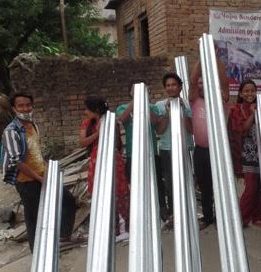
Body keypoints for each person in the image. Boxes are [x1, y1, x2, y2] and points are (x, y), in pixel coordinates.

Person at [2, 93, 78, 251]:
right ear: (14, 108)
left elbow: (36, 152)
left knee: (68, 201)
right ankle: (37, 252)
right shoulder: (11, 131)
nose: (25, 109)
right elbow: (17, 161)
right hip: (27, 182)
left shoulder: (33, 126)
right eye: (21, 106)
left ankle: (63, 237)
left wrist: (47, 169)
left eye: (28, 105)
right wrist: (39, 179)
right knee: (34, 217)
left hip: (42, 175)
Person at [79, 96, 130, 241]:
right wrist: (98, 133)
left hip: (112, 159)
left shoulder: (110, 120)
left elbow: (117, 142)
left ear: (95, 109)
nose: (85, 112)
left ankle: (123, 228)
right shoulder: (87, 123)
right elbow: (82, 142)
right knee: (100, 192)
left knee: (118, 193)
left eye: (87, 109)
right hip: (96, 161)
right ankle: (108, 229)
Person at [188, 57, 230, 229]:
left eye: (205, 83)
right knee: (204, 185)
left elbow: (224, 82)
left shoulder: (221, 100)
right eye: (200, 83)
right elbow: (192, 81)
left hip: (217, 150)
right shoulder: (194, 100)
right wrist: (202, 55)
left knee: (220, 185)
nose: (201, 86)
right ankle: (207, 218)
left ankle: (222, 218)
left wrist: (213, 56)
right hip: (200, 151)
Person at [115, 82, 167, 220]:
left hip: (151, 153)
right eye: (136, 90)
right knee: (135, 183)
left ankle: (161, 209)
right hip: (133, 153)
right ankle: (138, 213)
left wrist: (144, 102)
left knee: (157, 182)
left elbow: (155, 122)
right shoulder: (123, 107)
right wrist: (135, 100)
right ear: (130, 92)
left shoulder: (152, 107)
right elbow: (122, 119)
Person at [154, 73, 193, 227]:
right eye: (168, 85)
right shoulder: (159, 105)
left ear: (180, 87)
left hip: (184, 148)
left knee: (186, 180)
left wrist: (183, 110)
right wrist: (167, 112)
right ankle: (174, 214)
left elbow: (191, 129)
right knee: (170, 183)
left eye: (174, 85)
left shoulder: (187, 104)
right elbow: (160, 130)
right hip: (167, 150)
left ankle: (187, 213)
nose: (170, 88)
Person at [229, 79, 261, 228]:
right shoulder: (236, 109)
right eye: (247, 91)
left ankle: (256, 217)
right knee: (251, 188)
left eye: (253, 91)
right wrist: (253, 114)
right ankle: (240, 219)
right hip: (245, 154)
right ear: (241, 93)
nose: (250, 94)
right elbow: (241, 130)